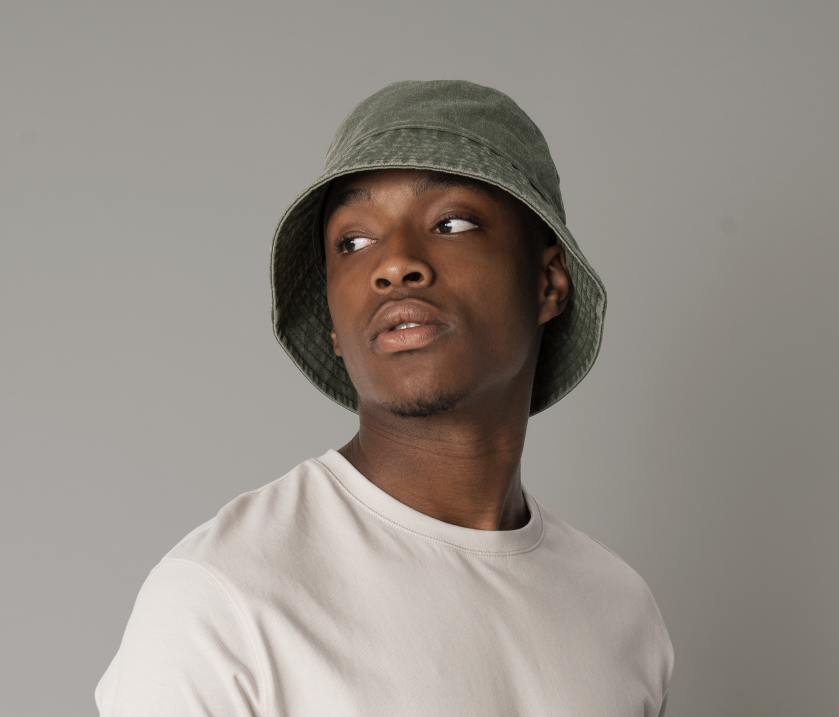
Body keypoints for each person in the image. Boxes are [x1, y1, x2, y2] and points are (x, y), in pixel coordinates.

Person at [96, 80, 673, 716]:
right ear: (334, 324)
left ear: (548, 283)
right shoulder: (224, 598)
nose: (394, 265)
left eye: (452, 223)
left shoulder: (619, 611)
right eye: (353, 242)